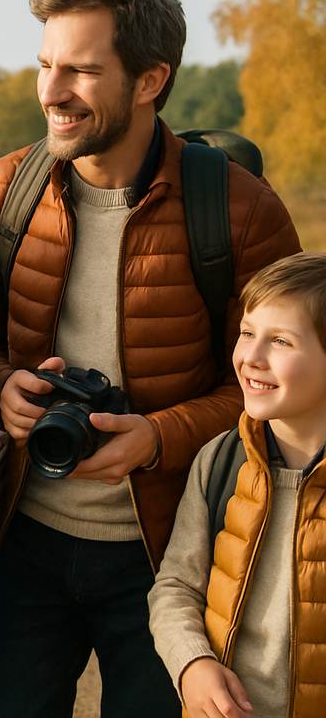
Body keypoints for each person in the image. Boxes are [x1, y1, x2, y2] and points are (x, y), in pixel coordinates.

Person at [0, 0, 301, 717]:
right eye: (46, 65)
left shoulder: (239, 212)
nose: (51, 89)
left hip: (172, 553)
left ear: (149, 80)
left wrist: (155, 438)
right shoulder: (2, 192)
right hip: (27, 541)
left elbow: (276, 388)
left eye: (81, 69)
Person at [148, 251, 326, 718]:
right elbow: (175, 587)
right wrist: (193, 664)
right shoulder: (221, 461)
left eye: (281, 341)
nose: (251, 357)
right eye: (248, 333)